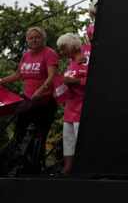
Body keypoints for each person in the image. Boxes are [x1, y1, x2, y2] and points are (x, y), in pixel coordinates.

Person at [0, 27, 59, 174]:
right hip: (28, 100)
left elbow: (52, 77)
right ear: (27, 40)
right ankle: (16, 165)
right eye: (31, 38)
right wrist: (1, 80)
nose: (34, 40)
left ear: (43, 39)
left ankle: (35, 168)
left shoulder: (49, 53)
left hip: (45, 102)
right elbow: (19, 74)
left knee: (39, 135)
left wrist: (40, 90)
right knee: (19, 132)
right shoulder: (26, 55)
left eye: (37, 37)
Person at [56, 33, 88, 174]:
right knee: (68, 141)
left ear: (73, 46)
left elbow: (93, 81)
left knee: (80, 141)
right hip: (69, 108)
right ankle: (68, 167)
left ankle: (83, 168)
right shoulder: (71, 63)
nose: (61, 52)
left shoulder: (86, 60)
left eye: (63, 48)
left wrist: (74, 81)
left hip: (82, 108)